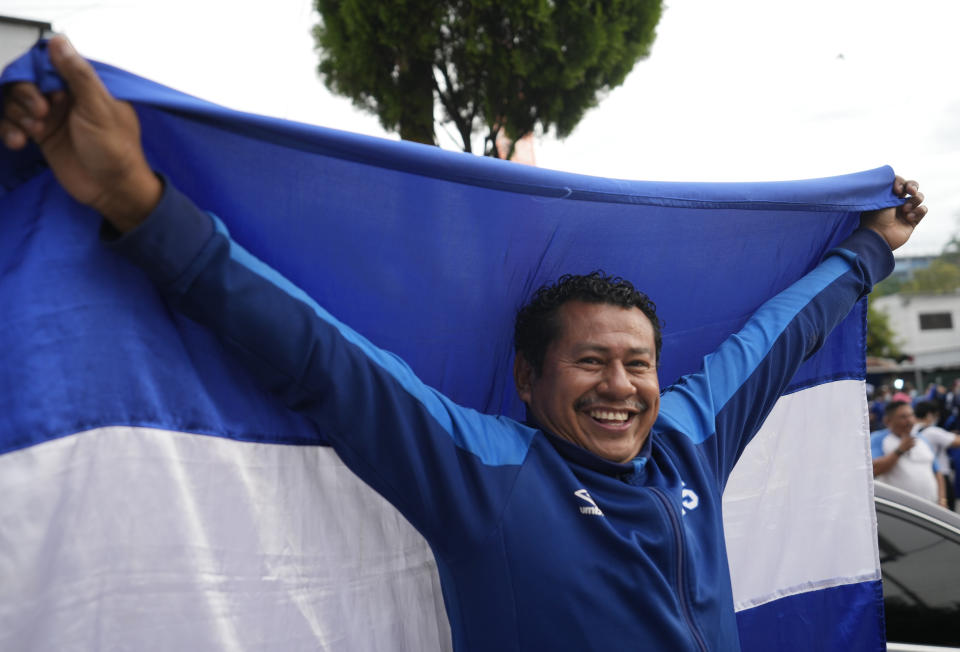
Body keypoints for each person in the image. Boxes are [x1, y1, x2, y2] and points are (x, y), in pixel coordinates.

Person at [1, 36, 929, 650]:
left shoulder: (690, 435)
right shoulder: (486, 470)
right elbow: (319, 355)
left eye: (638, 363)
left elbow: (779, 334)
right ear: (526, 379)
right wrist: (138, 203)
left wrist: (869, 251)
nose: (622, 386)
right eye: (591, 361)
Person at [872, 401, 942, 505]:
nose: (909, 420)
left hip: (931, 507)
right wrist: (899, 451)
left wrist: (942, 499)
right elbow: (873, 470)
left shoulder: (922, 439)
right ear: (888, 421)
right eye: (903, 417)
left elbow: (937, 471)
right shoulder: (878, 439)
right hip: (902, 511)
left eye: (911, 415)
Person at [914, 400, 960, 509]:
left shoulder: (912, 430)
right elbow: (956, 442)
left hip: (923, 475)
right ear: (929, 415)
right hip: (941, 477)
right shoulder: (933, 431)